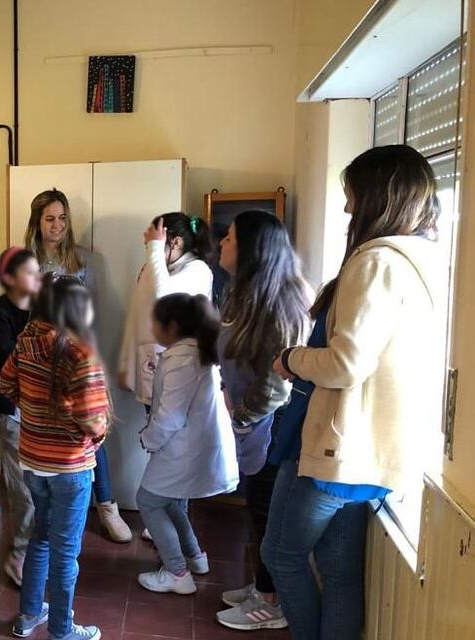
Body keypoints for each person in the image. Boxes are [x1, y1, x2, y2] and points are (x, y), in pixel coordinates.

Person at [262, 145, 443, 640]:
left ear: (377, 198)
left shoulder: (377, 262)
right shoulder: (420, 262)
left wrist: (292, 359)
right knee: (339, 574)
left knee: (280, 555)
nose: (346, 209)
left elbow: (346, 362)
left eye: (351, 196)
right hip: (370, 452)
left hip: (343, 449)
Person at [0, 273, 109, 640]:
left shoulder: (25, 342)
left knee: (40, 537)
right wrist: (92, 436)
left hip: (32, 460)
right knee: (66, 551)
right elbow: (94, 420)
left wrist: (34, 414)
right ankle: (62, 630)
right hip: (70, 467)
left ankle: (28, 614)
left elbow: (5, 385)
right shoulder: (81, 352)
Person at [214, 210, 310, 631]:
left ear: (252, 250)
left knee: (265, 510)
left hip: (273, 423)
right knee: (258, 506)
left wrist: (243, 416)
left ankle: (271, 603)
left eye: (231, 238)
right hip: (253, 420)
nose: (222, 244)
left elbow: (277, 383)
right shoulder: (247, 294)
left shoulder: (279, 303)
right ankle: (262, 586)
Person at [25, 189, 130, 544]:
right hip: (40, 361)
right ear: (37, 223)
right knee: (46, 436)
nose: (58, 226)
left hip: (80, 357)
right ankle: (47, 512)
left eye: (63, 218)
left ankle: (108, 507)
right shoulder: (25, 262)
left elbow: (92, 312)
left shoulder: (83, 260)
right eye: (50, 219)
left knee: (91, 434)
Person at [136, 293, 238, 596]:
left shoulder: (181, 359)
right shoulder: (195, 352)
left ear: (173, 326)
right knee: (167, 499)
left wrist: (147, 438)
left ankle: (177, 571)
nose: (151, 327)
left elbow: (170, 416)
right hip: (193, 446)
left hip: (184, 448)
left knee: (149, 501)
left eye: (155, 321)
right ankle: (194, 557)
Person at [0, 246, 42, 587]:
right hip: (11, 409)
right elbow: (11, 358)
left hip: (39, 408)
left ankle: (33, 550)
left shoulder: (42, 309)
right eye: (30, 273)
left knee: (39, 485)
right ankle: (19, 555)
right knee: (23, 488)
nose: (38, 279)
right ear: (9, 279)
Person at [119, 213, 214, 407]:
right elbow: (136, 314)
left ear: (176, 243)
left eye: (155, 244)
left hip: (179, 372)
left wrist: (154, 249)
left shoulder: (198, 270)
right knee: (153, 424)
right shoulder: (155, 269)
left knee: (167, 429)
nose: (150, 250)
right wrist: (126, 364)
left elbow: (164, 299)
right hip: (151, 366)